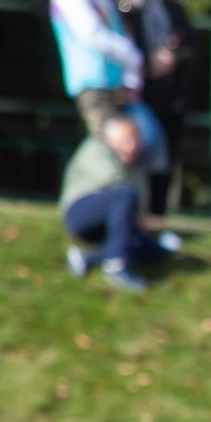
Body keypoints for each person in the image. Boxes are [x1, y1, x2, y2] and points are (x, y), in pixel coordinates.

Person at [116, 0, 188, 212]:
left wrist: (173, 57)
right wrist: (147, 63)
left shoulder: (169, 8)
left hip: (169, 96)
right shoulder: (121, 8)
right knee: (137, 154)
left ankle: (157, 217)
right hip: (136, 96)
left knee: (165, 159)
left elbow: (189, 43)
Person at [49, 0, 142, 137]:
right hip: (93, 84)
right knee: (110, 147)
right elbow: (91, 33)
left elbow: (117, 32)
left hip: (113, 85)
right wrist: (132, 57)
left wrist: (131, 74)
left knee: (122, 147)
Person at [57, 115, 162, 291]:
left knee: (153, 251)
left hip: (110, 218)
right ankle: (117, 266)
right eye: (127, 139)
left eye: (135, 139)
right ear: (111, 138)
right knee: (124, 195)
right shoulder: (96, 148)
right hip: (79, 213)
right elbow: (114, 182)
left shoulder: (130, 161)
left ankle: (87, 258)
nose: (133, 145)